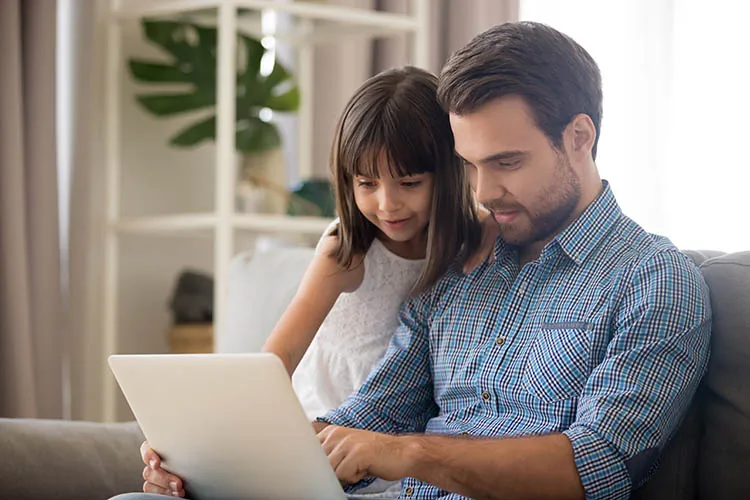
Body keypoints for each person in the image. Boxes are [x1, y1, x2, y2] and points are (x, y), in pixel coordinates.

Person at [120, 21, 711, 500]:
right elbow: (367, 419)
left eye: (506, 162)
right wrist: (213, 460)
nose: (481, 192)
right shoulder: (456, 272)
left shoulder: (653, 282)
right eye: (470, 165)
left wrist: (411, 453)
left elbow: (595, 469)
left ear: (579, 137)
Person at [131, 66, 485, 499]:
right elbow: (272, 364)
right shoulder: (345, 251)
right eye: (366, 184)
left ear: (448, 175)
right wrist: (199, 447)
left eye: (409, 183)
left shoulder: (477, 246)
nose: (387, 204)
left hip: (400, 454)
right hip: (319, 438)